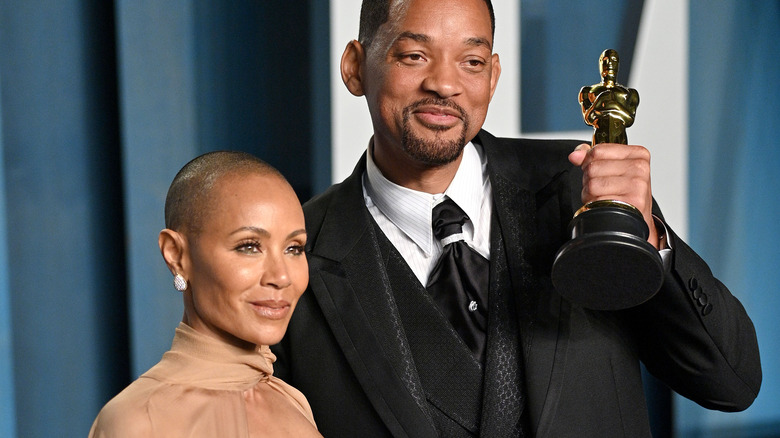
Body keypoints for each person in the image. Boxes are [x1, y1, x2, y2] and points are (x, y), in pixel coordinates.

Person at [272, 0, 762, 436]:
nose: (444, 83)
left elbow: (730, 382)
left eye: (471, 61)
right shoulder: (295, 253)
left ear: (493, 75)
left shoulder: (580, 189)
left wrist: (648, 238)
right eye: (414, 55)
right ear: (356, 67)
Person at [89, 151, 322, 437]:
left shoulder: (292, 401)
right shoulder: (138, 421)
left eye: (294, 248)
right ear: (177, 255)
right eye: (249, 246)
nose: (282, 277)